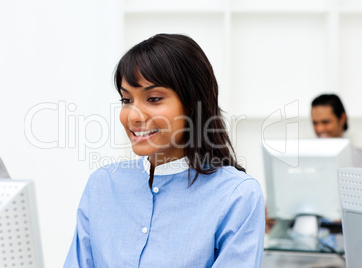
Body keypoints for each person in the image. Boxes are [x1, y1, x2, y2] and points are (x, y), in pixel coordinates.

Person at [64, 34, 265, 267]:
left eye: (154, 98)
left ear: (192, 104)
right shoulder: (102, 185)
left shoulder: (237, 196)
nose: (133, 116)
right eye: (126, 100)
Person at [311, 93, 362, 167]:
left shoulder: (358, 159)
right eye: (315, 123)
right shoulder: (307, 159)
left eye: (325, 122)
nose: (319, 129)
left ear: (342, 119)